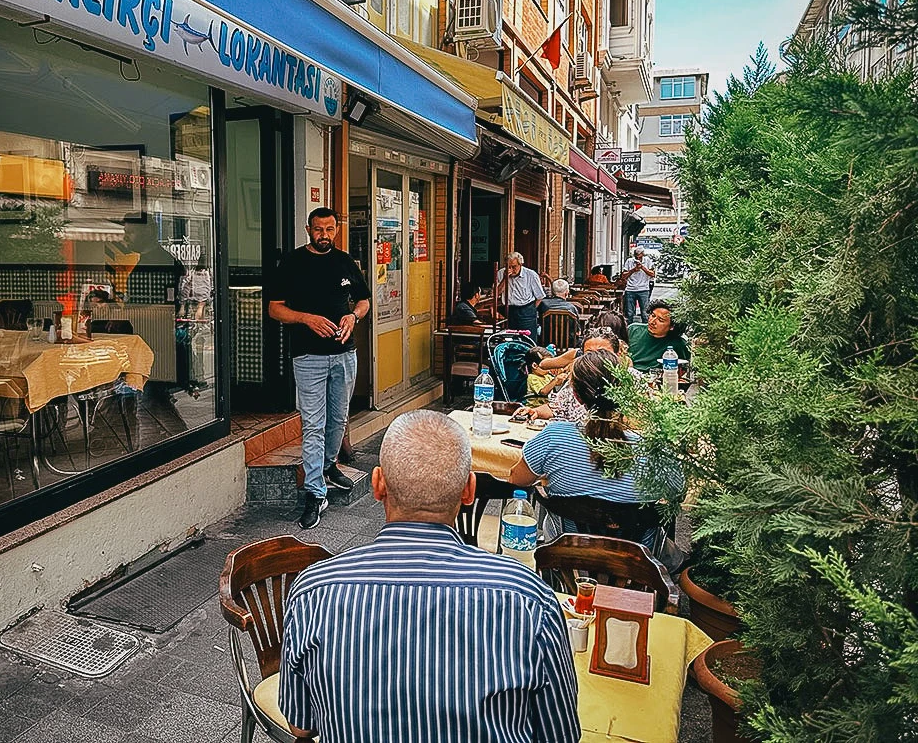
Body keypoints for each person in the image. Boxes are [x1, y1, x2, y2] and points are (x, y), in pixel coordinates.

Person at [280, 410, 580, 742]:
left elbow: (301, 725)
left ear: (378, 485)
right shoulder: (528, 599)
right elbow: (560, 734)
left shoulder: (313, 591)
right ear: (469, 491)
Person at [509, 351, 683, 547]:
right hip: (636, 566)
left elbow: (517, 478)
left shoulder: (553, 437)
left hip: (566, 560)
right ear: (625, 390)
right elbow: (677, 493)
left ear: (575, 396)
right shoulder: (653, 448)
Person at [269, 208, 371, 530]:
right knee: (313, 424)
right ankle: (316, 492)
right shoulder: (291, 263)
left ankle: (328, 466)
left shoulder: (346, 262)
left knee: (338, 418)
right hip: (308, 356)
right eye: (317, 229)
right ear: (307, 229)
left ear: (337, 229)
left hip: (345, 354)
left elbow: (364, 301)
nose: (323, 235)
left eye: (329, 229)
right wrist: (306, 318)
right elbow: (274, 309)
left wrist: (353, 317)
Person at [628, 300, 691, 372]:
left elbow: (683, 370)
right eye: (653, 315)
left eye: (660, 320)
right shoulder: (633, 330)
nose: (652, 322)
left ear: (672, 326)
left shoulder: (679, 344)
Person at [495, 252, 544, 336]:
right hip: (509, 310)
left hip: (526, 310)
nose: (511, 270)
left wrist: (530, 309)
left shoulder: (531, 275)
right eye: (508, 266)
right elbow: (496, 294)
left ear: (520, 264)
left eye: (514, 267)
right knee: (510, 339)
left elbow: (540, 296)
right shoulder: (501, 273)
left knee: (527, 339)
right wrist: (505, 279)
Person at [619, 247, 655, 323]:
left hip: (644, 289)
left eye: (640, 257)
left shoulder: (647, 260)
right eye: (636, 256)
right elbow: (623, 276)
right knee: (629, 313)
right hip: (630, 289)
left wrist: (642, 267)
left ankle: (645, 330)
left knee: (645, 313)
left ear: (643, 255)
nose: (638, 258)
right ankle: (628, 331)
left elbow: (652, 274)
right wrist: (633, 270)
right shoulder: (629, 261)